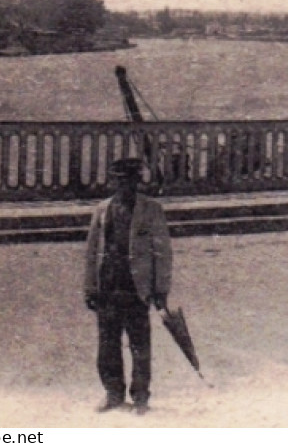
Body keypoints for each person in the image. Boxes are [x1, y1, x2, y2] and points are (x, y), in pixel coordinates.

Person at [83, 157, 173, 415]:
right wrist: (90, 287)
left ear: (137, 181)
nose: (124, 185)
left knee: (139, 344)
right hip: (108, 285)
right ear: (112, 181)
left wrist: (160, 289)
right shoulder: (102, 209)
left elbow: (162, 253)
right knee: (108, 343)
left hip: (136, 287)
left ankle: (141, 397)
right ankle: (113, 393)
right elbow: (92, 252)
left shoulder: (151, 209)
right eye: (118, 180)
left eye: (129, 180)